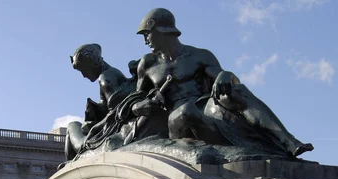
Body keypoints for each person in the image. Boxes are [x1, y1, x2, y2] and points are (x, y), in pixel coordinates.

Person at [131, 8, 313, 157]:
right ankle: (239, 150)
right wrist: (140, 107)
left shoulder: (199, 55)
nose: (145, 40)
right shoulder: (147, 64)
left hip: (206, 108)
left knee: (236, 91)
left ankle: (289, 142)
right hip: (175, 120)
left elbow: (223, 78)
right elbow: (135, 102)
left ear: (161, 31)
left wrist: (226, 75)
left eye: (147, 34)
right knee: (186, 112)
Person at [64, 44, 135, 161]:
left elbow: (115, 115)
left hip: (102, 135)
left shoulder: (105, 78)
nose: (83, 75)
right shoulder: (113, 73)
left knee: (72, 126)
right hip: (107, 130)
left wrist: (94, 127)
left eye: (84, 70)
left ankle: (70, 165)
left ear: (93, 63)